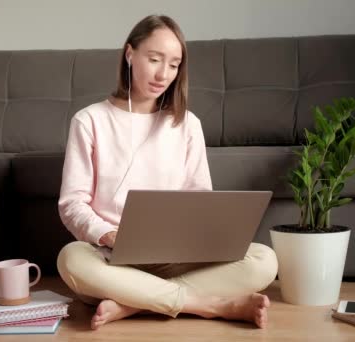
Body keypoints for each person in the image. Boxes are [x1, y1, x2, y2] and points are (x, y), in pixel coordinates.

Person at [56, 14, 278, 330]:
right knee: (72, 260)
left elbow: (201, 199)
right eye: (155, 59)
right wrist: (110, 235)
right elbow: (72, 204)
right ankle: (207, 305)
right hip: (112, 256)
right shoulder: (89, 121)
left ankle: (132, 304)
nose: (164, 74)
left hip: (176, 257)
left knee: (263, 260)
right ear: (130, 55)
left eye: (174, 65)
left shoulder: (187, 124)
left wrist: (199, 236)